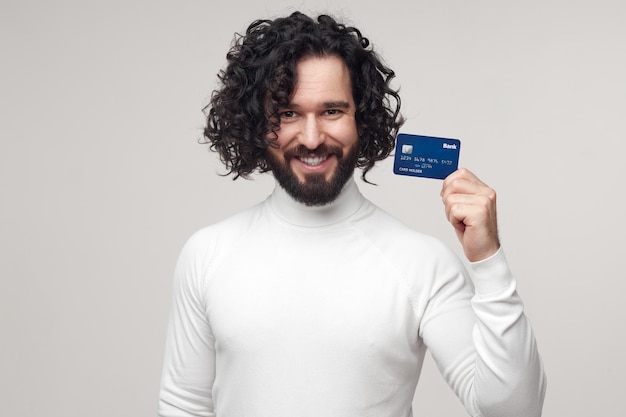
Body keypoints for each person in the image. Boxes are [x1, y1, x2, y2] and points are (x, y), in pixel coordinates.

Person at [158, 11, 546, 417]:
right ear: (257, 123)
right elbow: (184, 403)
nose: (311, 138)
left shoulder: (421, 264)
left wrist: (489, 262)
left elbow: (513, 411)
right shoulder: (207, 254)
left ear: (361, 119)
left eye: (331, 112)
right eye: (288, 113)